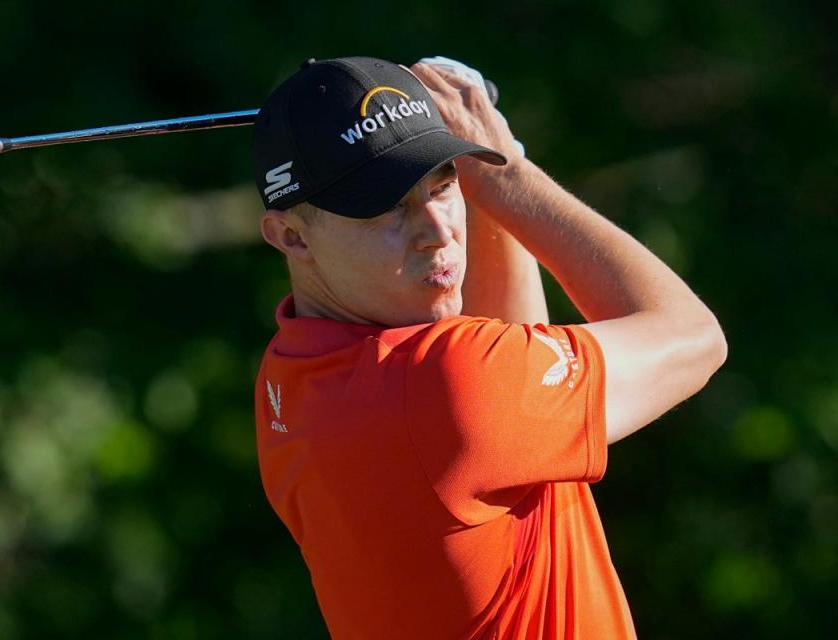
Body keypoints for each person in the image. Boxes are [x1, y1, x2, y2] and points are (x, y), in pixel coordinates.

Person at [251, 56, 727, 640]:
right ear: (291, 235)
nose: (439, 228)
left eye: (445, 183)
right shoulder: (444, 385)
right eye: (387, 208)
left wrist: (482, 162)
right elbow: (694, 337)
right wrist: (506, 173)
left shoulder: (289, 379)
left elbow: (504, 356)